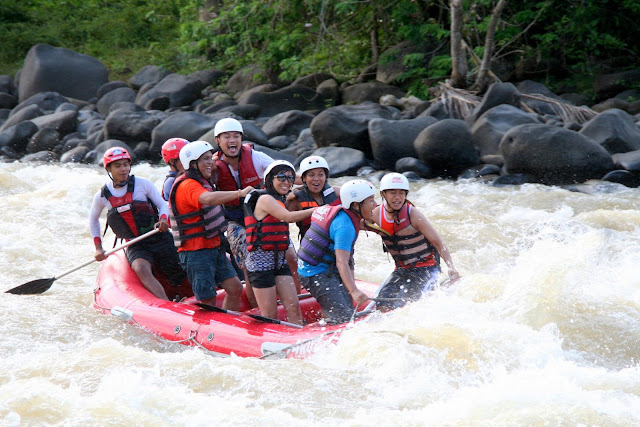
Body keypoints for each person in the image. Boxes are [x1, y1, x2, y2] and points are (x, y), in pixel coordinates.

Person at [213, 117, 300, 305]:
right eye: (226, 137)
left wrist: (313, 181)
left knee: (291, 257)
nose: (232, 140)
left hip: (266, 217)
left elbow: (283, 173)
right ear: (218, 141)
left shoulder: (255, 157)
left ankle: (299, 298)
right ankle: (256, 309)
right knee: (249, 265)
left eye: (236, 136)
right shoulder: (213, 166)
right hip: (235, 221)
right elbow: (200, 191)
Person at [89, 146, 187, 301]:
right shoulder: (102, 195)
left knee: (180, 267)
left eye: (126, 165)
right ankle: (166, 304)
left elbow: (162, 204)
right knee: (140, 268)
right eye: (118, 166)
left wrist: (162, 219)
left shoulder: (143, 184)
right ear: (108, 169)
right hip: (135, 243)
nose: (123, 169)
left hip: (158, 236)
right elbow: (93, 220)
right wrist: (98, 247)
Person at [169, 140, 253, 309]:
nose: (211, 163)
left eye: (211, 158)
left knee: (235, 288)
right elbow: (206, 198)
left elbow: (216, 165)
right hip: (196, 252)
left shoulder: (202, 180)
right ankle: (208, 327)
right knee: (207, 299)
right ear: (193, 164)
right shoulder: (188, 184)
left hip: (214, 247)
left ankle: (229, 323)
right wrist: (239, 193)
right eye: (205, 159)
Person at [368, 172, 460, 311]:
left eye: (401, 193)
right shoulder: (375, 214)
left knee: (412, 306)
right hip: (401, 270)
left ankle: (444, 286)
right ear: (383, 194)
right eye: (393, 193)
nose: (397, 197)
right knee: (382, 305)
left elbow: (438, 243)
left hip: (426, 267)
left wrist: (451, 267)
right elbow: (356, 225)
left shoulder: (413, 214)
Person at [297, 179, 378, 324]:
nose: (375, 204)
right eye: (371, 201)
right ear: (356, 204)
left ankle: (327, 318)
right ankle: (317, 330)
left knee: (347, 310)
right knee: (345, 319)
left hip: (326, 265)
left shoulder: (346, 211)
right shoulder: (345, 227)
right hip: (313, 272)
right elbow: (342, 262)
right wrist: (354, 291)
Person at [243, 160, 313, 325]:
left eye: (290, 178)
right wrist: (318, 209)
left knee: (294, 307)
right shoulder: (265, 199)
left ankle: (299, 340)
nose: (286, 182)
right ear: (270, 179)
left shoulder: (282, 198)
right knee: (270, 313)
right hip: (260, 264)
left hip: (279, 261)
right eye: (281, 177)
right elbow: (287, 217)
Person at [286, 155, 341, 240]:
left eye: (321, 175)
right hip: (311, 247)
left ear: (325, 177)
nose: (316, 179)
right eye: (311, 175)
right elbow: (285, 218)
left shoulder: (337, 193)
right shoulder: (296, 198)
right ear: (304, 178)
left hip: (335, 245)